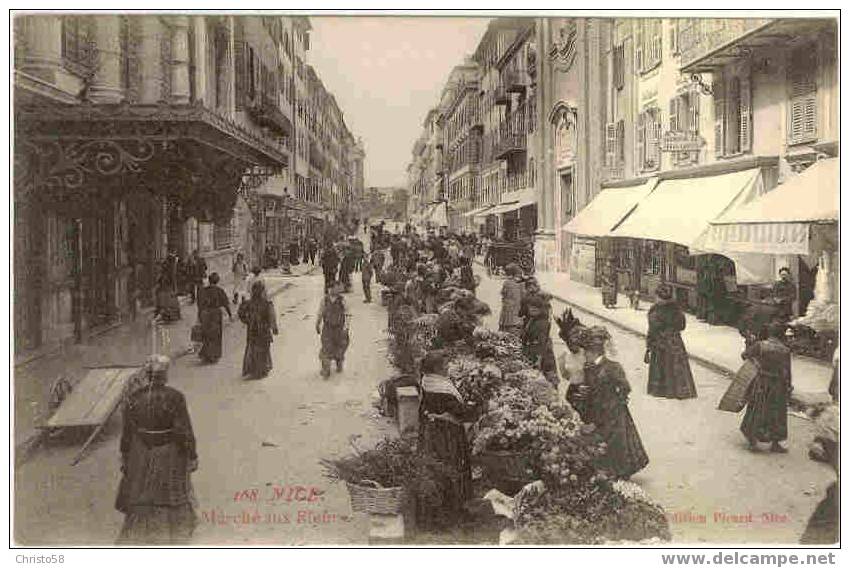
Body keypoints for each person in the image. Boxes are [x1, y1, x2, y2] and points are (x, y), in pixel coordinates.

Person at [115, 355, 197, 544]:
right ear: (164, 376)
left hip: (142, 451)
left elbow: (127, 432)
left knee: (142, 492)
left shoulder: (133, 398)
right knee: (170, 492)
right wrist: (192, 454)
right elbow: (184, 430)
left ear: (147, 376)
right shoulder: (176, 397)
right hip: (169, 451)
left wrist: (125, 455)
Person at [567, 326, 649, 480]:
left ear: (594, 352)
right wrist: (584, 392)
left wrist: (615, 399)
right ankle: (606, 469)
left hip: (614, 412)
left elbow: (625, 387)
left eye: (587, 353)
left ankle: (619, 470)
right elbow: (585, 387)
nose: (585, 356)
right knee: (601, 440)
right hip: (596, 410)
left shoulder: (613, 367)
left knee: (616, 440)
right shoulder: (588, 367)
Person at [740, 321, 792, 453]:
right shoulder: (785, 350)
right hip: (778, 384)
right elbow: (787, 370)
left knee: (758, 409)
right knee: (777, 412)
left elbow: (745, 356)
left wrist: (756, 362)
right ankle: (775, 442)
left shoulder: (761, 346)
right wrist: (788, 386)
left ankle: (753, 440)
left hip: (762, 381)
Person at [645, 283, 697, 399]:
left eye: (657, 296)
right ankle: (678, 390)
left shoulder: (656, 310)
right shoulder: (676, 309)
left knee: (661, 366)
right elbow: (682, 325)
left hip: (660, 341)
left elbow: (653, 329)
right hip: (675, 341)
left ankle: (661, 390)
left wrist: (649, 344)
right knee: (676, 367)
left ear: (659, 297)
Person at [238, 279, 279, 380]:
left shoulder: (249, 303)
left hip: (252, 330)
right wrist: (274, 328)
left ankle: (253, 369)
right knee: (263, 349)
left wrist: (247, 321)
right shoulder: (266, 304)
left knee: (252, 348)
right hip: (264, 330)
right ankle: (262, 369)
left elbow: (241, 312)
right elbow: (272, 317)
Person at [521, 294, 558, 385]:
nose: (531, 310)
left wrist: (538, 359)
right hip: (534, 351)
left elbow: (542, 343)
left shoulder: (541, 324)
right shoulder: (533, 319)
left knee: (544, 380)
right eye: (530, 308)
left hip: (541, 355)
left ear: (540, 310)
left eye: (534, 309)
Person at [316, 280, 350, 378]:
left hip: (339, 328)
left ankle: (339, 362)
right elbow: (320, 313)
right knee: (326, 348)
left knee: (340, 347)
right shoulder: (324, 300)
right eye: (330, 288)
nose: (332, 290)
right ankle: (326, 369)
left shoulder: (342, 300)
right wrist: (317, 324)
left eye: (335, 287)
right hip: (328, 328)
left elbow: (348, 314)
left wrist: (346, 327)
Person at [198, 273, 232, 364]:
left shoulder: (204, 291)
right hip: (216, 314)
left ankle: (206, 354)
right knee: (216, 334)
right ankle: (213, 355)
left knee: (206, 333)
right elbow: (226, 304)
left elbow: (200, 304)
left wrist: (199, 315)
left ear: (209, 280)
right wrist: (230, 315)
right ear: (218, 281)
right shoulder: (220, 290)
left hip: (205, 314)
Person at [498, 263, 524, 336]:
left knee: (504, 335)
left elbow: (503, 293)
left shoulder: (507, 283)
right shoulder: (522, 283)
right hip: (518, 316)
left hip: (506, 316)